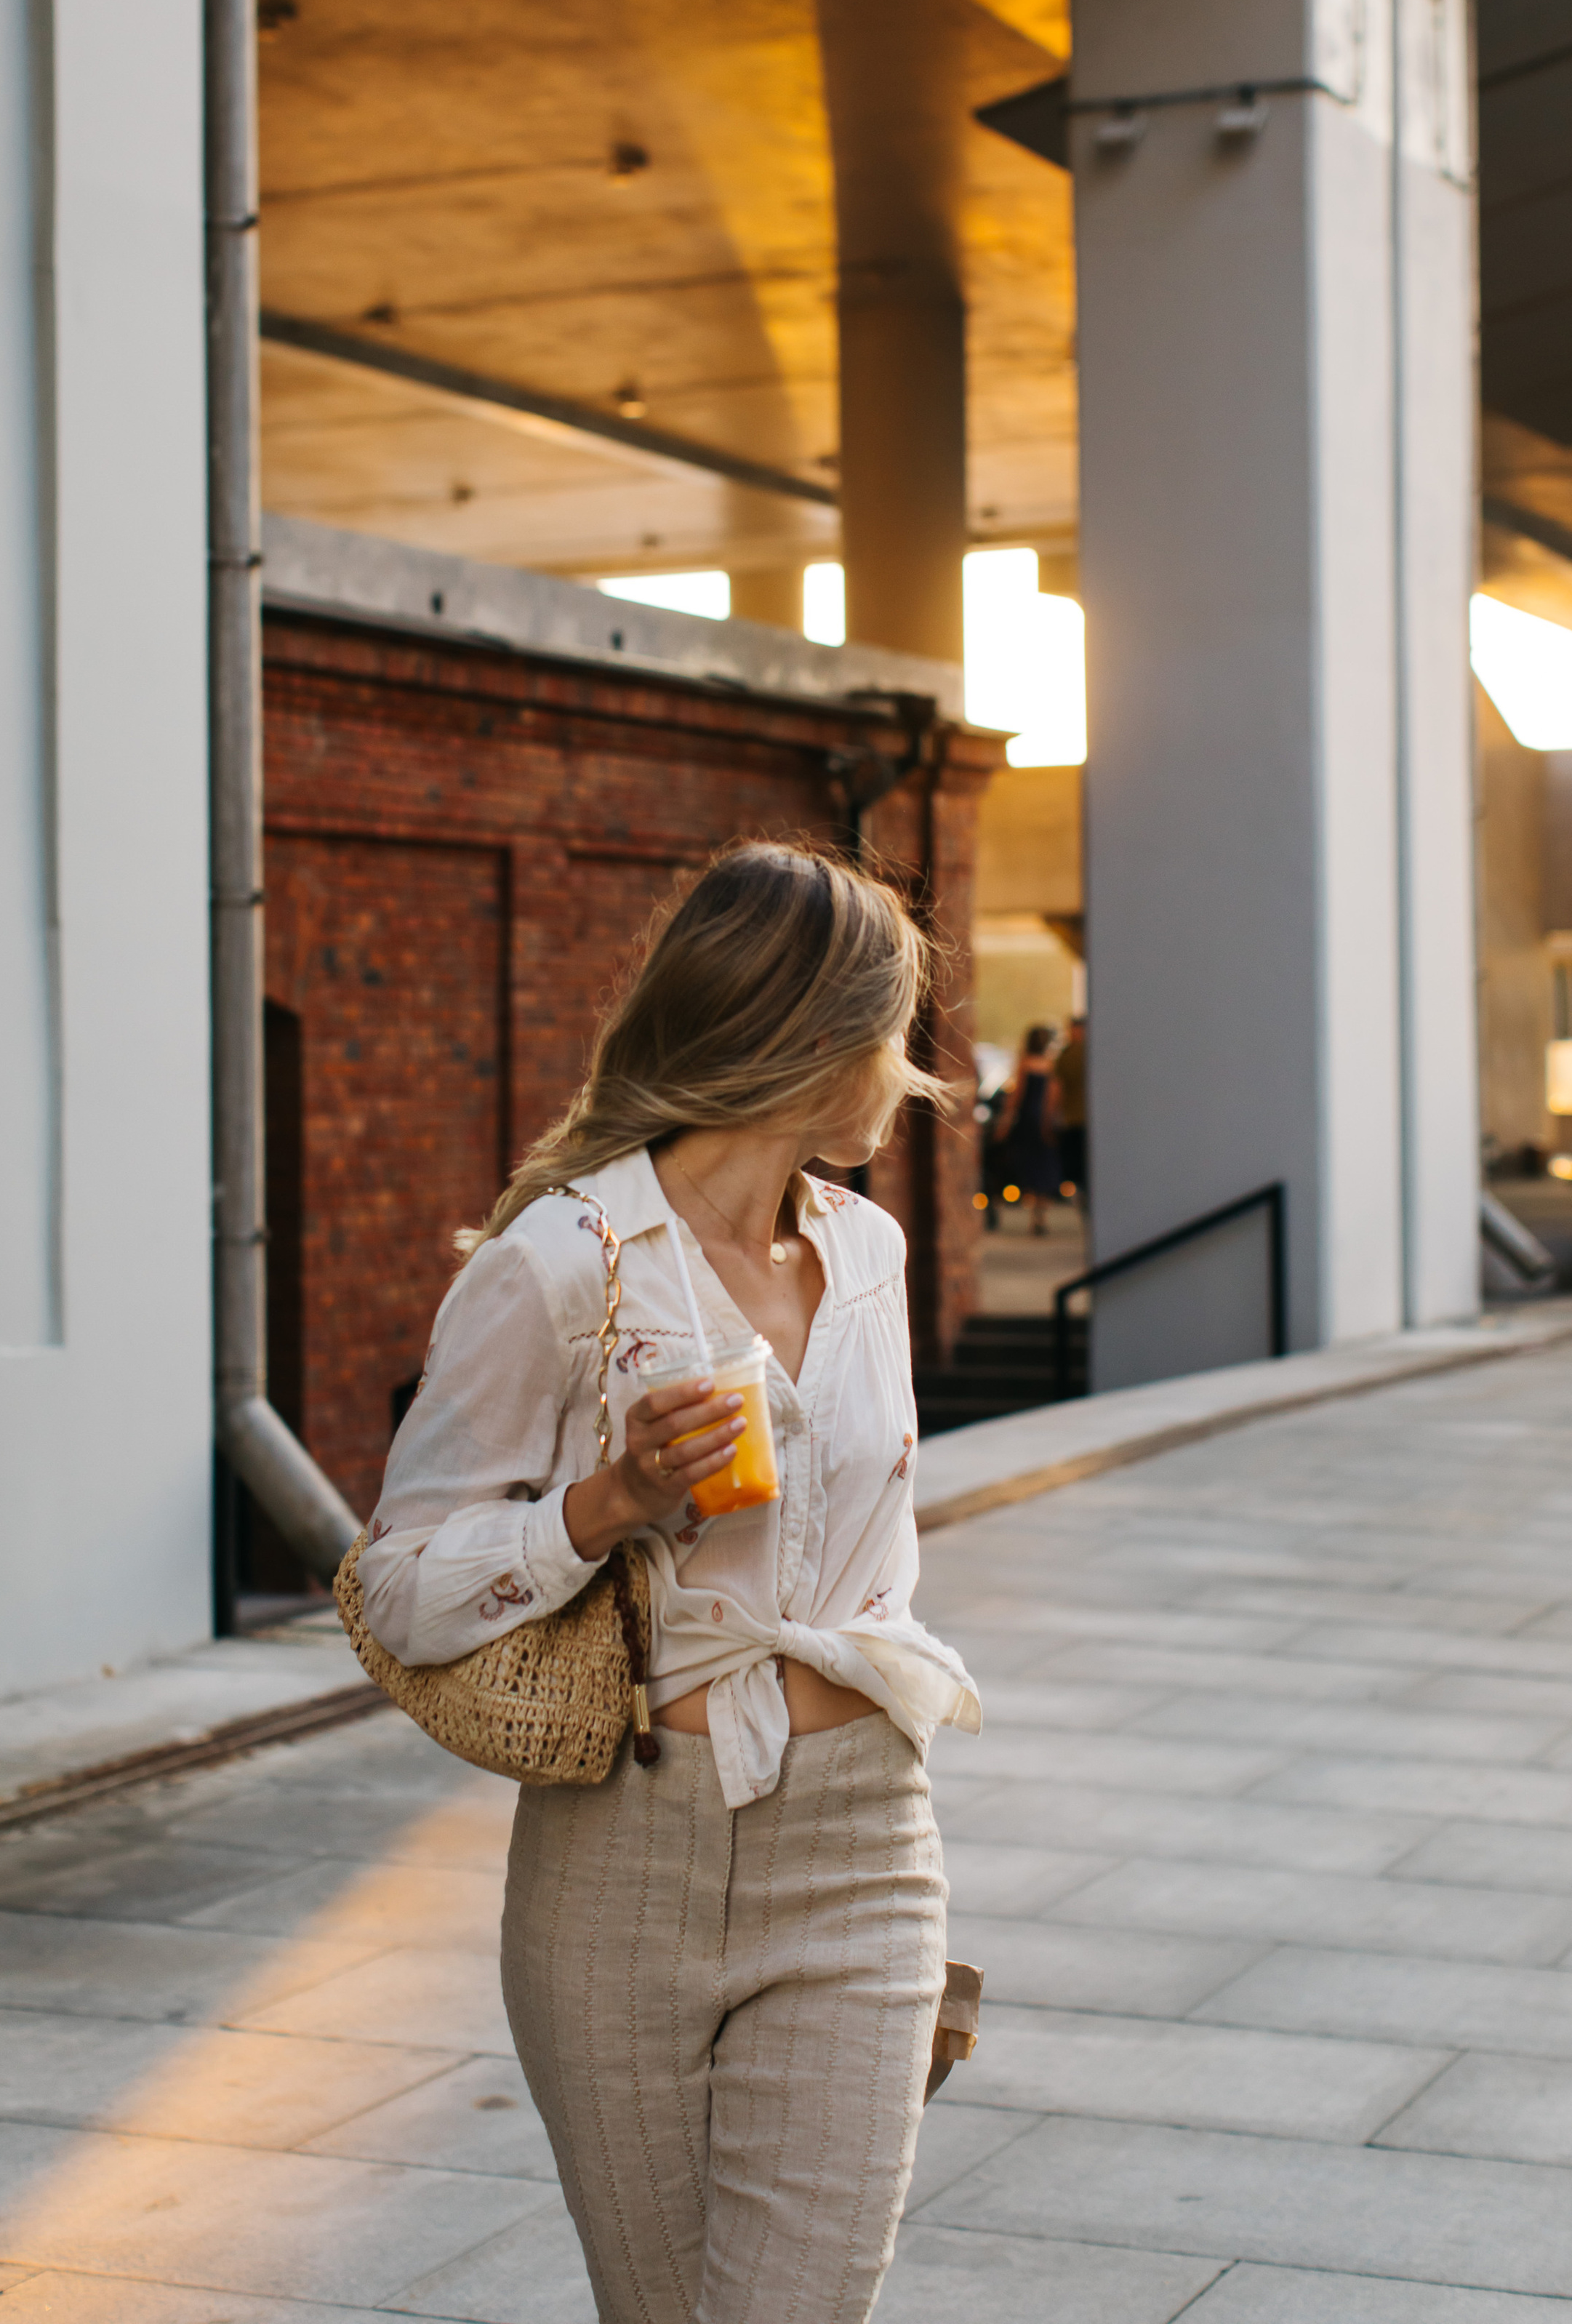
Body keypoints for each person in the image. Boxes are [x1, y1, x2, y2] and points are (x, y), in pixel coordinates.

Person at [358, 843, 980, 2324]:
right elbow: (397, 1591)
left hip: (861, 1846)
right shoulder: (561, 1262)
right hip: (622, 1863)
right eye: (890, 1038)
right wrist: (610, 1503)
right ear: (810, 1039)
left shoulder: (871, 1250)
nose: (907, 1079)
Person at [989, 1020, 1063, 1234]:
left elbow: (1017, 1095)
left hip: (1027, 1119)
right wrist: (1049, 1119)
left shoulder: (1025, 1063)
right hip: (1041, 1118)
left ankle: (1035, 1213)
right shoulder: (1051, 1065)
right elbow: (1053, 1095)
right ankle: (1041, 1213)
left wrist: (1005, 1121)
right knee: (1044, 1163)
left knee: (1029, 1163)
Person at [1054, 1010, 1088, 1200]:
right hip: (1090, 1119)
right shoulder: (1094, 1052)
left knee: (1075, 1167)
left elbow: (1056, 1089)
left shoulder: (1066, 1055)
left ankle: (1081, 1198)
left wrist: (1052, 1115)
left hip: (1072, 1118)